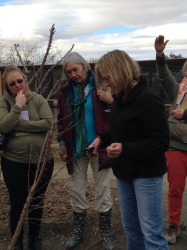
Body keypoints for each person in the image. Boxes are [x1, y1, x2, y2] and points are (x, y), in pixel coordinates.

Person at [90, 49, 170, 250]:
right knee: (131, 229)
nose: (107, 85)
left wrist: (125, 149)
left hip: (147, 175)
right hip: (125, 173)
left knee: (151, 233)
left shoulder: (148, 98)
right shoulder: (121, 98)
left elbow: (161, 142)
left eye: (108, 78)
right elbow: (120, 129)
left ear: (121, 71)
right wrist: (101, 139)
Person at [57, 52, 114, 250]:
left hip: (101, 146)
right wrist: (62, 142)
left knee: (103, 190)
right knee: (77, 191)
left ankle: (105, 233)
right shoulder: (65, 91)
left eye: (76, 69)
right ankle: (78, 231)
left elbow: (115, 113)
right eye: (69, 72)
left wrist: (110, 100)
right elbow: (60, 120)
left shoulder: (102, 86)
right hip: (76, 149)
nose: (73, 74)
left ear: (84, 67)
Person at [0, 65, 54, 250]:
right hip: (13, 162)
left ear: (25, 79)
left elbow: (47, 123)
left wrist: (18, 126)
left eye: (20, 81)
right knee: (18, 202)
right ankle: (17, 241)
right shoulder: (4, 103)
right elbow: (3, 127)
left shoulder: (38, 99)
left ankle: (34, 238)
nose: (17, 85)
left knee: (37, 201)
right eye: (12, 84)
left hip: (41, 162)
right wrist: (17, 107)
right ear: (7, 87)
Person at [155, 35, 187, 244]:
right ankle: (174, 225)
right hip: (176, 145)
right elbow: (165, 77)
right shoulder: (179, 90)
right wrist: (159, 55)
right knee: (175, 189)